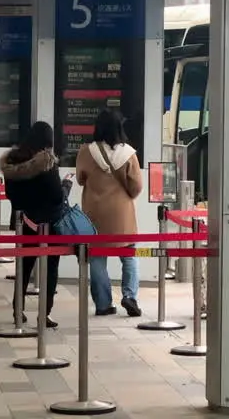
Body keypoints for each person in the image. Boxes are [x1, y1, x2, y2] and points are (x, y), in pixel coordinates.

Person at [0, 121, 71, 328]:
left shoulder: (12, 161)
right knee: (50, 267)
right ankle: (44, 313)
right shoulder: (46, 163)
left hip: (24, 221)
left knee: (24, 265)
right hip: (49, 222)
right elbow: (57, 196)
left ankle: (17, 310)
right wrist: (66, 185)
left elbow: (11, 195)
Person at [76, 109, 143, 317]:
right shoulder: (129, 154)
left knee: (96, 258)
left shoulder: (86, 151)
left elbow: (80, 179)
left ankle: (103, 304)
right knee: (129, 254)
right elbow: (137, 186)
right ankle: (129, 296)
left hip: (94, 213)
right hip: (122, 213)